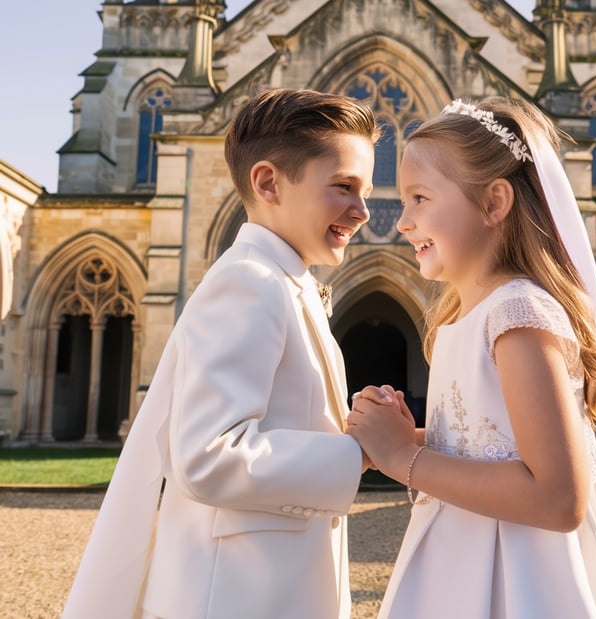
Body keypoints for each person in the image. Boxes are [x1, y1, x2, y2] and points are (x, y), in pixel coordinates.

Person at [346, 97, 596, 618]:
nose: (402, 221)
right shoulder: (469, 315)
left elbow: (559, 498)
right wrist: (404, 438)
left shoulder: (519, 313)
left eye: (420, 198)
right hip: (459, 557)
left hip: (517, 575)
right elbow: (493, 440)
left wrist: (402, 459)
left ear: (495, 203)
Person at [63, 88, 378, 619]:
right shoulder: (249, 281)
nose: (363, 210)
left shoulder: (282, 280)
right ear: (268, 182)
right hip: (234, 595)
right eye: (343, 186)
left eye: (365, 189)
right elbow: (208, 455)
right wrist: (360, 452)